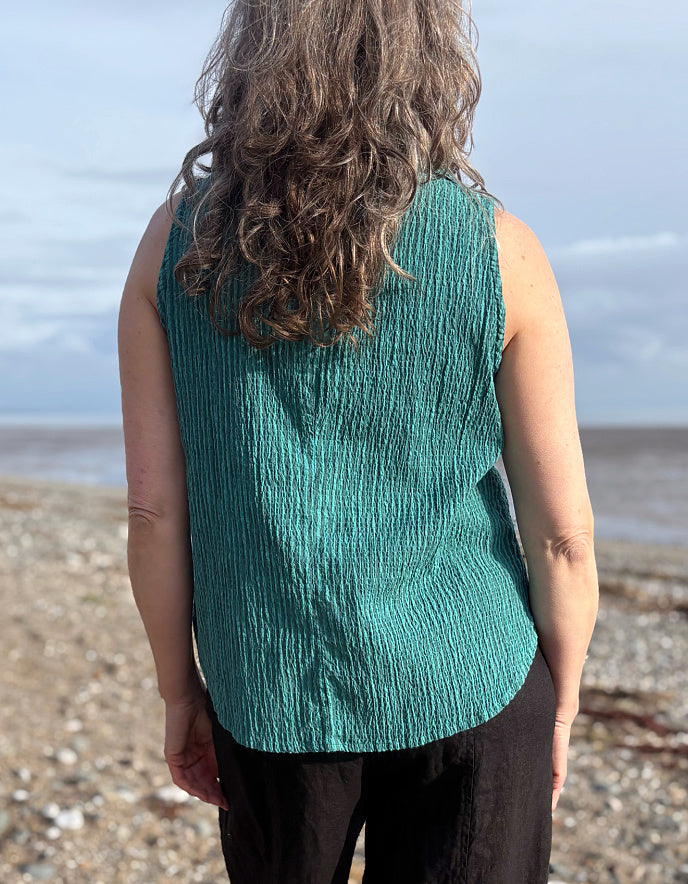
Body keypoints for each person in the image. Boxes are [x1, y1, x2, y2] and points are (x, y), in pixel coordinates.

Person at [117, 1, 599, 881]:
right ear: (428, 59)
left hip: (267, 686)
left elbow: (153, 512)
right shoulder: (501, 250)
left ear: (251, 54)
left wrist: (178, 690)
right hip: (473, 678)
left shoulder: (172, 250)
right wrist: (562, 700)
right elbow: (563, 536)